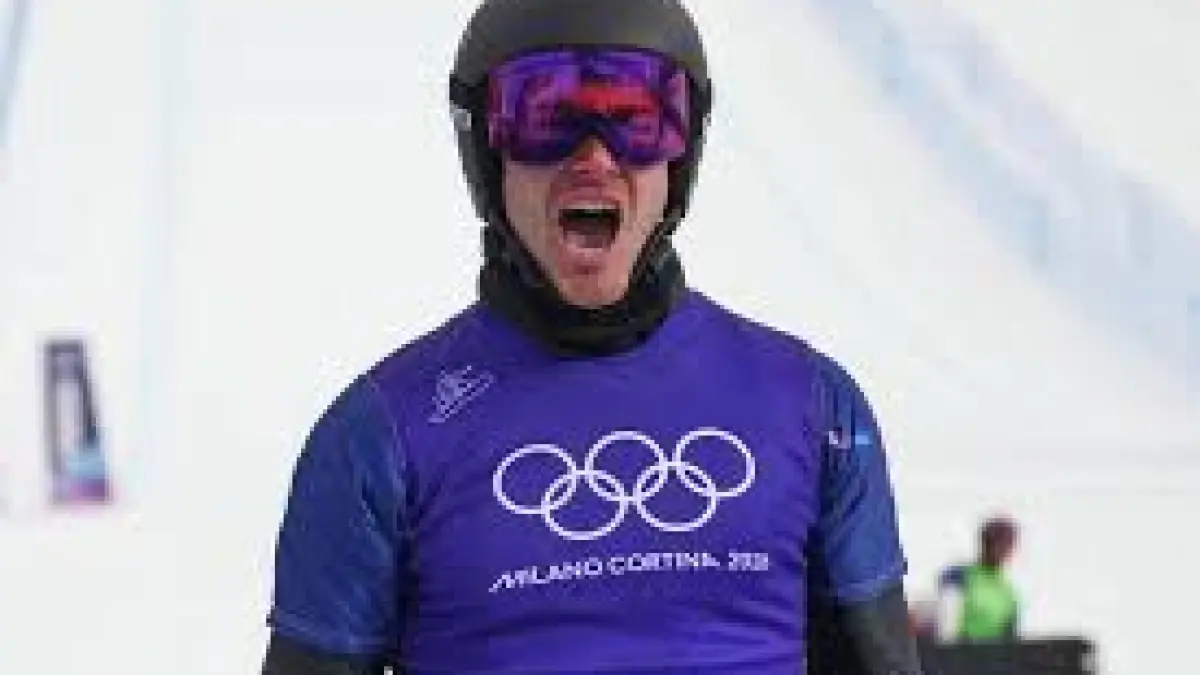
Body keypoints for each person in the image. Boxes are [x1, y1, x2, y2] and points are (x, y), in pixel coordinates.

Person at [260, 0, 924, 673]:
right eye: (547, 119)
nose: (595, 158)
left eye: (636, 119)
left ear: (682, 155)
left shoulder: (810, 406)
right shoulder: (381, 437)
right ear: (487, 151)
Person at [935, 515, 1021, 643]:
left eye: (1007, 545)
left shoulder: (1009, 592)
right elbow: (946, 630)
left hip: (993, 652)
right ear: (983, 543)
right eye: (995, 542)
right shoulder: (957, 575)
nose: (1002, 550)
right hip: (961, 649)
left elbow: (1010, 638)